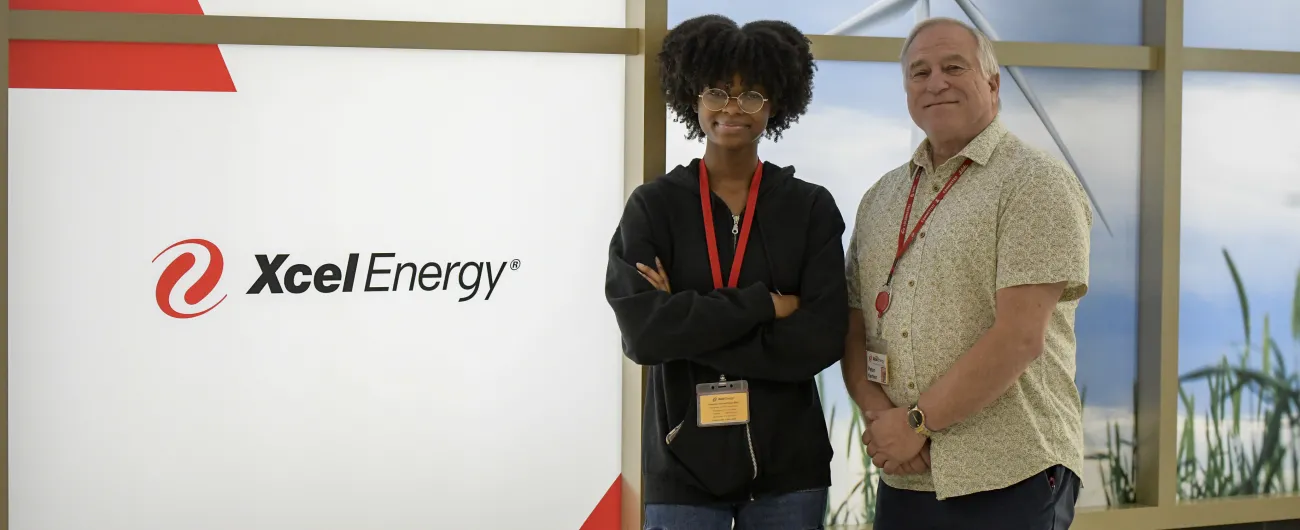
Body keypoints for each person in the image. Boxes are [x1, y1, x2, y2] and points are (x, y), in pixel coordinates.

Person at [839, 17, 1092, 530]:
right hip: (907, 474)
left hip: (1008, 470)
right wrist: (882, 421)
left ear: (993, 84)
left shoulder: (1035, 183)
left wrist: (916, 422)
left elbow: (1019, 337)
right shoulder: (880, 198)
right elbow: (856, 324)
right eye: (920, 72)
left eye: (954, 66)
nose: (936, 82)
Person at [604, 14, 847, 530]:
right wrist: (765, 306)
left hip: (789, 471)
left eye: (752, 95)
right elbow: (643, 334)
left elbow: (821, 339)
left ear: (775, 104)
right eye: (718, 91)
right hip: (681, 468)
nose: (733, 108)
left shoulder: (809, 209)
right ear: (693, 96)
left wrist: (685, 327)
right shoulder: (653, 208)